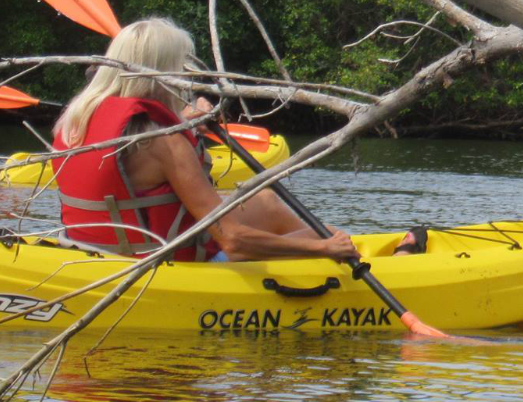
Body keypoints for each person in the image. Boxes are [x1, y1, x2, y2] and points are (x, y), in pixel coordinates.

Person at [51, 18, 360, 263]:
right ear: (165, 73)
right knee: (329, 235)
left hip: (95, 252)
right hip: (169, 261)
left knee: (264, 200)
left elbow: (137, 155)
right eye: (181, 69)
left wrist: (186, 121)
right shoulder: (166, 143)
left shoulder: (74, 120)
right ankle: (320, 255)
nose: (186, 79)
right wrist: (324, 248)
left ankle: (305, 244)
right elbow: (234, 242)